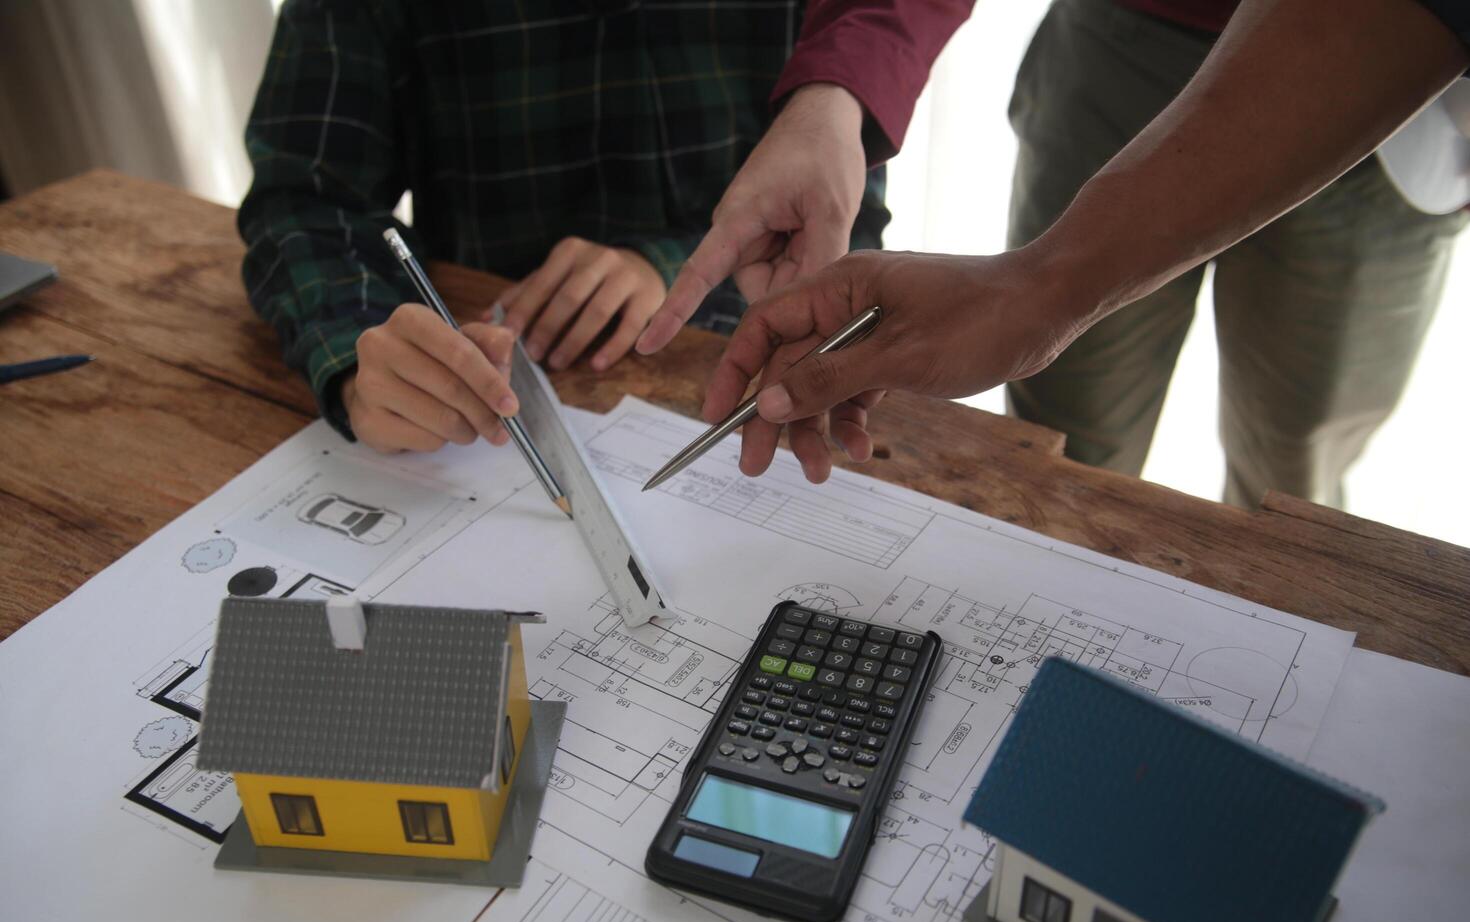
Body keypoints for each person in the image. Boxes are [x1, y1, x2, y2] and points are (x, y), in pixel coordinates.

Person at [642, 0, 1470, 505]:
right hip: (1126, 30)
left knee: (1300, 449)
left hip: (1399, 92)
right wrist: (838, 93)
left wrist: (1037, 288)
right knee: (1068, 425)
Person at [238, 0, 958, 453]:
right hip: (485, 372)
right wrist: (354, 357)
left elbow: (842, 222)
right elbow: (305, 195)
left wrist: (680, 270)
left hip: (740, 362)